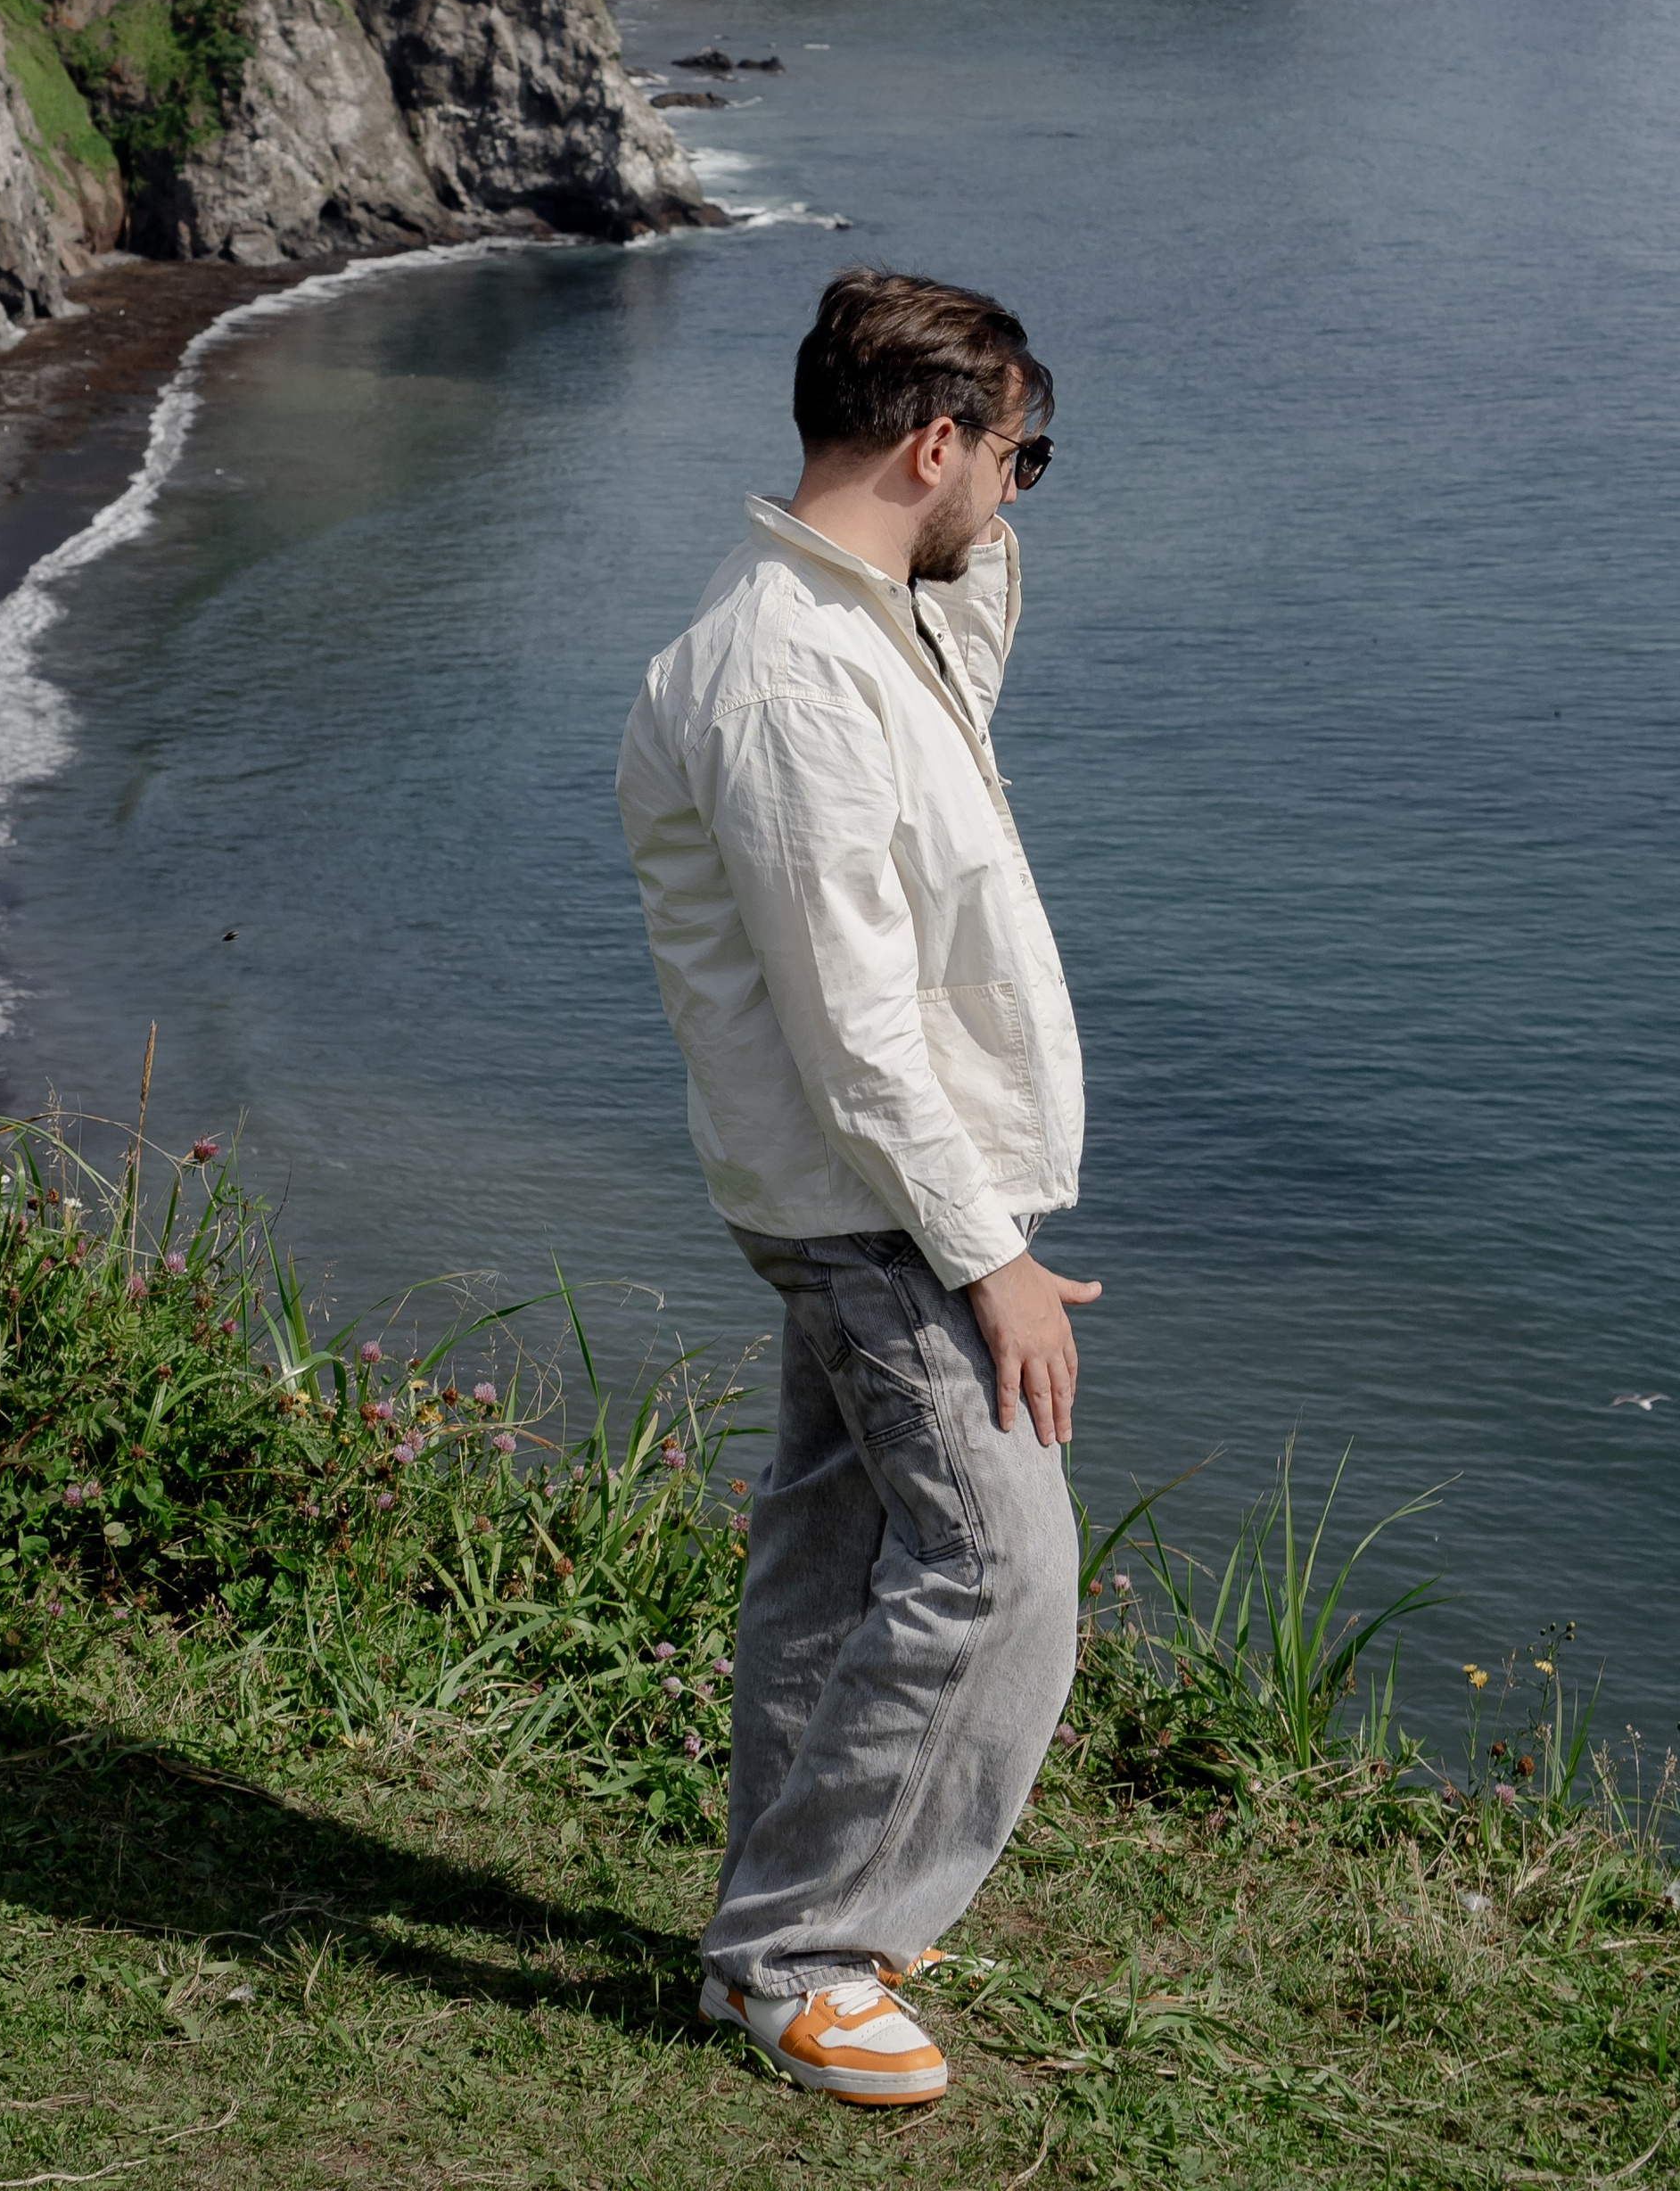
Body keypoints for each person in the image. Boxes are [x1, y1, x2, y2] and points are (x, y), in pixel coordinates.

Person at [616, 266, 1099, 2110]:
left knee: (830, 1557)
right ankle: (802, 1956)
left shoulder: (859, 623)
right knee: (996, 1567)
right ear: (929, 443)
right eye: (1010, 458)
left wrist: (988, 490)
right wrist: (988, 1261)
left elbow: (966, 617)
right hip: (872, 1191)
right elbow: (855, 1026)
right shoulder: (789, 683)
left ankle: (771, 1918)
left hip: (860, 1182)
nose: (1017, 494)